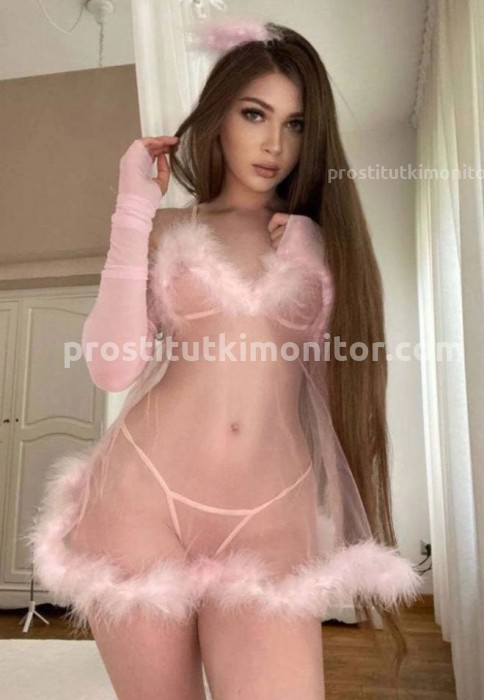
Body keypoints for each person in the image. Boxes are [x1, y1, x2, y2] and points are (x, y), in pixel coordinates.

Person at [27, 21, 423, 700]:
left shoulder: (318, 242)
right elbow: (112, 368)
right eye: (254, 114)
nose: (275, 144)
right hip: (142, 501)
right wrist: (132, 210)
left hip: (268, 514)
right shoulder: (165, 228)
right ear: (219, 117)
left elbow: (337, 390)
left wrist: (318, 262)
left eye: (296, 125)